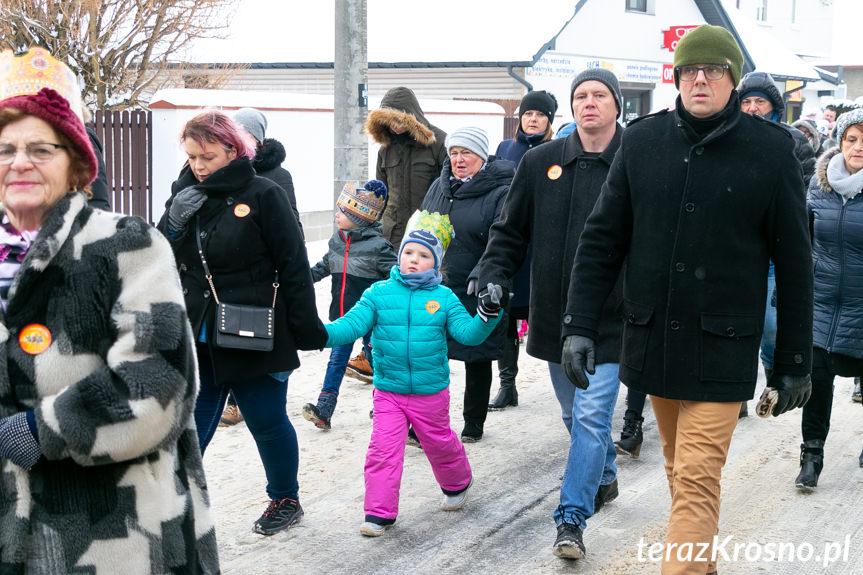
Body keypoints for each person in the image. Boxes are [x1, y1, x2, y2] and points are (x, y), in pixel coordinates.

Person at [561, 26, 813, 574]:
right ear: (676, 78)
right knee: (681, 470)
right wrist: (579, 324)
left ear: (732, 78)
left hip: (723, 346)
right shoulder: (644, 142)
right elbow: (602, 238)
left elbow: (796, 265)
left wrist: (793, 361)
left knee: (697, 479)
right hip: (654, 342)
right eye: (690, 70)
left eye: (715, 70)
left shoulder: (771, 152)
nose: (701, 79)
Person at [0, 47, 218, 572]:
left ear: (76, 162)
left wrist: (42, 430)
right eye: (5, 148)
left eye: (40, 148)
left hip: (110, 531)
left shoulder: (126, 246)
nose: (19, 162)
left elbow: (158, 382)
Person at [478, 68, 625, 560]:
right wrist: (494, 271)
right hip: (553, 314)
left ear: (616, 104)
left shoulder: (636, 158)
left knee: (589, 417)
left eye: (599, 95)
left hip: (612, 316)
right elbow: (509, 229)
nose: (589, 104)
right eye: (581, 96)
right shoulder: (542, 162)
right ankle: (603, 473)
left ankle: (570, 519)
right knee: (574, 414)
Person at [158, 109, 328, 536]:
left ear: (233, 150)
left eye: (208, 156)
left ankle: (285, 499)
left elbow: (293, 264)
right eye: (192, 157)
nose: (198, 166)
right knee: (191, 427)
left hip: (257, 331)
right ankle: (177, 506)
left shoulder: (265, 193)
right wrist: (172, 223)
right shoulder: (186, 194)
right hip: (200, 334)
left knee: (266, 422)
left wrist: (307, 329)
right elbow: (157, 258)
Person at [323, 209, 502, 536]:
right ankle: (379, 513)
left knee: (438, 443)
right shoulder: (378, 294)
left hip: (430, 391)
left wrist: (487, 315)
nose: (413, 260)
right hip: (389, 390)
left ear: (436, 262)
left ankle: (458, 482)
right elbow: (350, 325)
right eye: (408, 252)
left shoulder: (443, 298)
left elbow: (468, 335)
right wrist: (319, 333)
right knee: (382, 449)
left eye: (423, 255)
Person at [421, 127, 514, 442]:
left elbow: (502, 238)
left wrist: (483, 273)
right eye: (454, 153)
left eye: (467, 153)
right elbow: (422, 227)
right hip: (436, 285)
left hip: (479, 285)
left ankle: (473, 422)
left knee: (477, 354)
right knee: (431, 357)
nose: (459, 160)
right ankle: (424, 424)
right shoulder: (439, 186)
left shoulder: (501, 191)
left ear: (482, 156)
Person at [355, 87, 448, 382]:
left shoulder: (438, 143)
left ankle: (424, 366)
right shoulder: (386, 150)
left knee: (422, 309)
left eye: (399, 119)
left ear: (412, 116)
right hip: (392, 236)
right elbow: (380, 195)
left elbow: (447, 190)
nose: (394, 126)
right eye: (389, 120)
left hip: (426, 236)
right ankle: (383, 369)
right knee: (392, 307)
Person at [796, 108, 863, 489]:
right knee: (817, 381)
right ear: (839, 142)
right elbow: (802, 242)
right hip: (820, 304)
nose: (858, 147)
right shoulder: (818, 188)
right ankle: (811, 454)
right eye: (851, 139)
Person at [302, 180, 396, 430]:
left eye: (342, 211)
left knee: (378, 361)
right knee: (336, 362)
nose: (336, 214)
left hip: (372, 320)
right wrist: (299, 280)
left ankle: (385, 408)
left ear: (360, 217)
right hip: (344, 317)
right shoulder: (336, 241)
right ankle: (324, 410)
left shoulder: (379, 248)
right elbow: (323, 267)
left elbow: (395, 279)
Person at [489, 90, 558, 410]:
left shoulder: (557, 150)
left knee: (549, 316)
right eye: (528, 114)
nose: (533, 119)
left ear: (549, 120)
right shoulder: (505, 148)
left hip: (543, 246)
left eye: (540, 115)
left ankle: (567, 382)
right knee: (503, 317)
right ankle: (508, 385)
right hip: (511, 242)